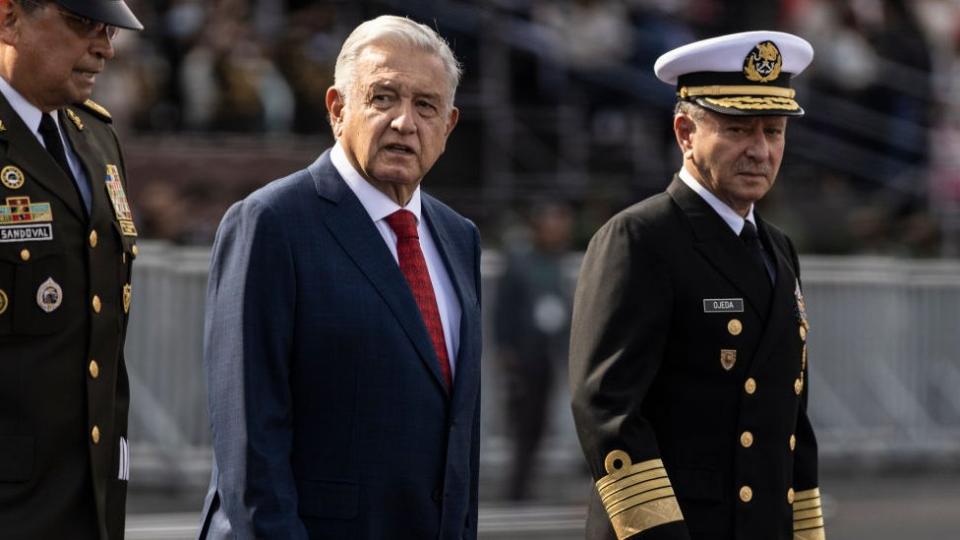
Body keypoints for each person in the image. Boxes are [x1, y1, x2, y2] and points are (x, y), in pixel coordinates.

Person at [198, 15, 482, 540]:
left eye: (426, 106)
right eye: (383, 97)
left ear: (449, 125)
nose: (404, 122)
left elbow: (457, 434)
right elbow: (249, 446)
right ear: (337, 108)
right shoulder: (272, 222)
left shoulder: (458, 236)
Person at [569, 31, 825, 540]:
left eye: (773, 132)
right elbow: (608, 410)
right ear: (685, 132)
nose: (760, 150)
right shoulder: (639, 238)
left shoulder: (778, 248)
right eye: (737, 130)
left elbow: (791, 423)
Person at [0, 1, 143, 539]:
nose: (105, 47)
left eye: (108, 30)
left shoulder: (96, 137)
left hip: (91, 498)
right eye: (83, 24)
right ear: (8, 17)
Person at [494, 200, 574, 500]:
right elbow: (503, 310)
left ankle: (526, 484)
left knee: (539, 422)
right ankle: (516, 487)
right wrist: (505, 349)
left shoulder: (555, 264)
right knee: (522, 423)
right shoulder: (519, 262)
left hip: (546, 356)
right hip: (523, 358)